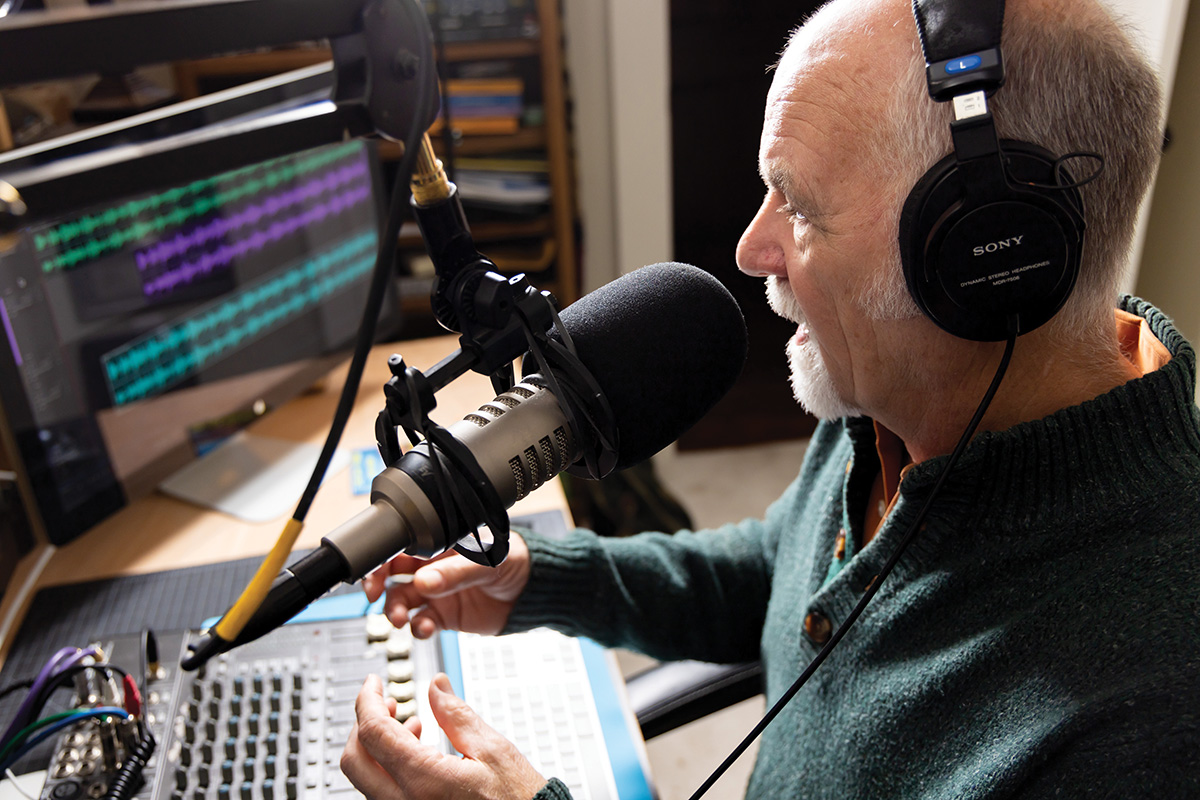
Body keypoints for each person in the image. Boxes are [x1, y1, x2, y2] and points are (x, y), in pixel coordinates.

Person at [340, 0, 1200, 796]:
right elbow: (775, 576)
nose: (752, 249)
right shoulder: (897, 407)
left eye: (798, 204)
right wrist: (549, 580)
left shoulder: (1150, 722)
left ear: (979, 251)